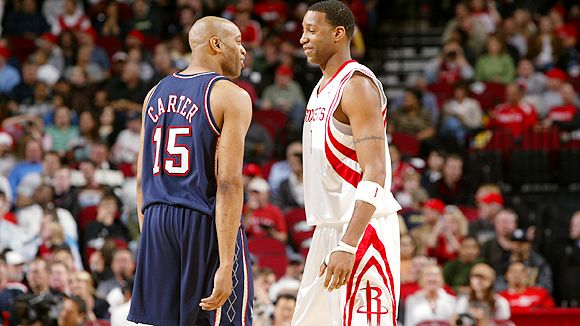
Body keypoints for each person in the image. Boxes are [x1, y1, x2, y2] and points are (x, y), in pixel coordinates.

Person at [127, 16, 253, 325]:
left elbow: (142, 179)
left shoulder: (153, 93)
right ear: (216, 44)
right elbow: (228, 185)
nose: (243, 50)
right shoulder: (229, 95)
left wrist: (151, 241)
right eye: (237, 41)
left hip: (156, 221)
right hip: (201, 220)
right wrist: (226, 264)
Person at [292, 2, 402, 325]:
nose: (303, 39)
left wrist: (348, 243)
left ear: (339, 34)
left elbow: (376, 171)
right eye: (302, 31)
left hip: (362, 231)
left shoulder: (356, 86)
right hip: (330, 229)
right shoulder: (319, 89)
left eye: (312, 30)